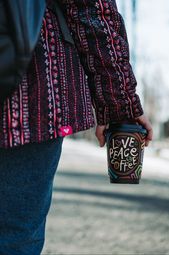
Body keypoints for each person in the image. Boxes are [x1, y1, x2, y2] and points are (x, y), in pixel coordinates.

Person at [0, 0, 153, 254]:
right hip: (32, 90)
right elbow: (90, 8)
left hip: (29, 93)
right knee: (12, 238)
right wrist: (119, 103)